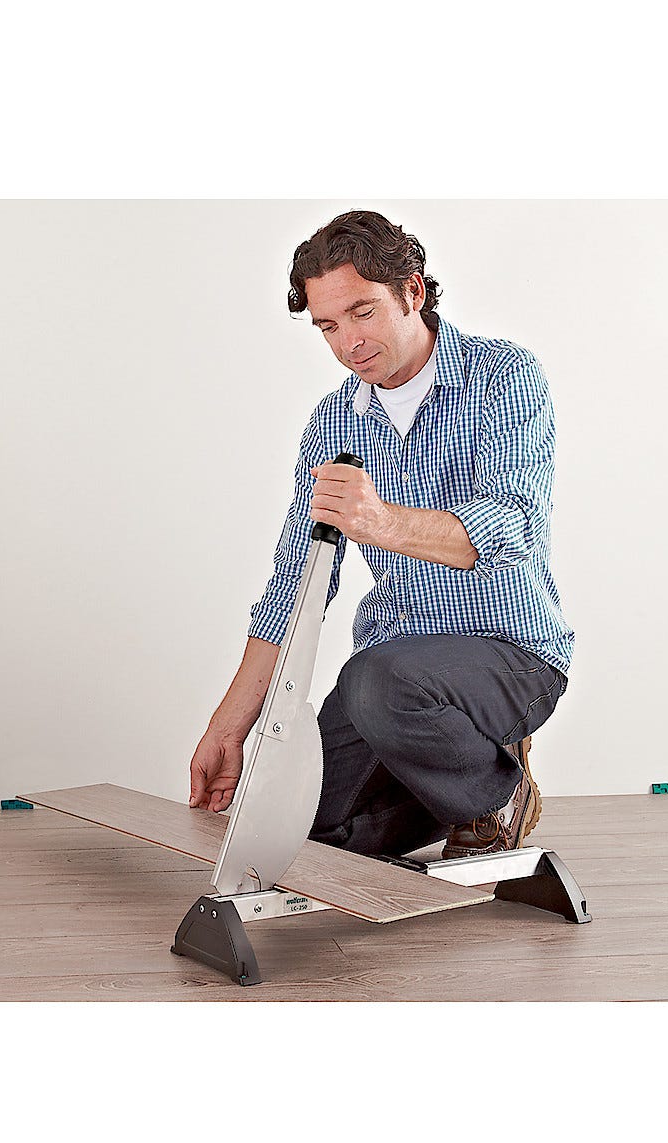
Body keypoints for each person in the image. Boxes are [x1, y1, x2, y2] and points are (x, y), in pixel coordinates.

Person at [189, 210, 575, 860]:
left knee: (376, 680)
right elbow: (295, 587)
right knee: (301, 825)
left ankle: (494, 797)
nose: (349, 342)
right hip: (395, 670)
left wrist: (381, 520)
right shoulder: (333, 424)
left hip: (510, 657)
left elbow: (515, 524)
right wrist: (229, 726)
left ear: (412, 292)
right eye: (328, 327)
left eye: (361, 312)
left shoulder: (502, 377)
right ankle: (451, 800)